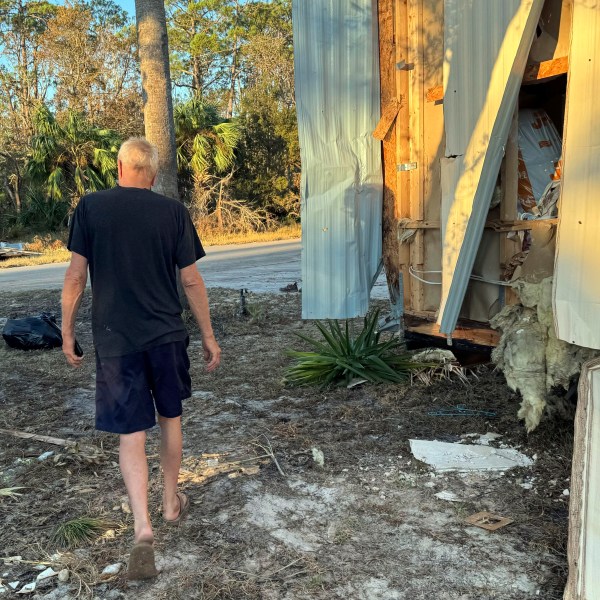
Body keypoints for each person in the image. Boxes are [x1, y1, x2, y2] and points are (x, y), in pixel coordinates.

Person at [61, 137, 221, 580]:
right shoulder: (172, 212)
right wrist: (208, 335)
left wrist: (68, 332)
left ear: (118, 168)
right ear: (151, 174)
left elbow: (76, 276)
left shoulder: (90, 208)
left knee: (131, 434)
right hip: (167, 336)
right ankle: (171, 502)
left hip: (116, 341)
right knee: (171, 418)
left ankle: (142, 526)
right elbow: (191, 282)